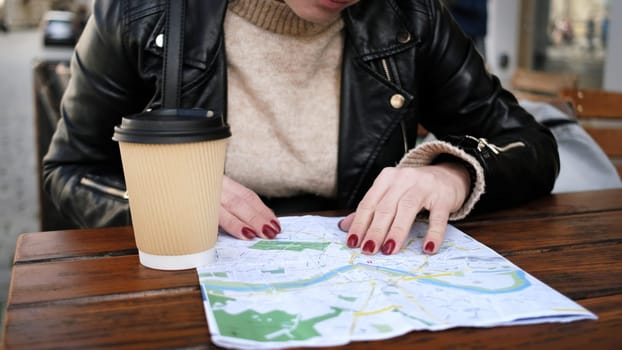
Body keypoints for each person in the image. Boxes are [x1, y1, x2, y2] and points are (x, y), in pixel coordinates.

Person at [43, 0, 559, 256]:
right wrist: (165, 195)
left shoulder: (412, 14)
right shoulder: (142, 12)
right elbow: (70, 170)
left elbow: (529, 144)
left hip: (364, 290)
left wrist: (452, 173)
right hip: (178, 286)